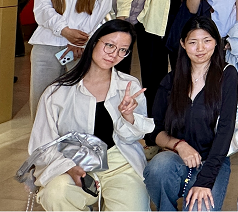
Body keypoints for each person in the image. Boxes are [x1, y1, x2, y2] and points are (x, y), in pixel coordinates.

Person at [28, 19, 153, 211]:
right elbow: (42, 144)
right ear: (94, 42)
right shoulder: (57, 92)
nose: (114, 54)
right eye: (110, 45)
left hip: (119, 162)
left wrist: (128, 116)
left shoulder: (128, 86)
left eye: (123, 50)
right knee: (55, 193)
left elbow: (134, 137)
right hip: (73, 161)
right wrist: (67, 167)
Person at [144, 16, 238, 212]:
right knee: (158, 167)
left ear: (216, 42)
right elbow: (154, 131)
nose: (200, 48)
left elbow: (225, 131)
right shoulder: (171, 81)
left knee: (199, 208)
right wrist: (179, 145)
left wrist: (205, 181)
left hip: (213, 161)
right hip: (177, 159)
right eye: (193, 42)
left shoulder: (227, 75)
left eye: (207, 41)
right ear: (183, 44)